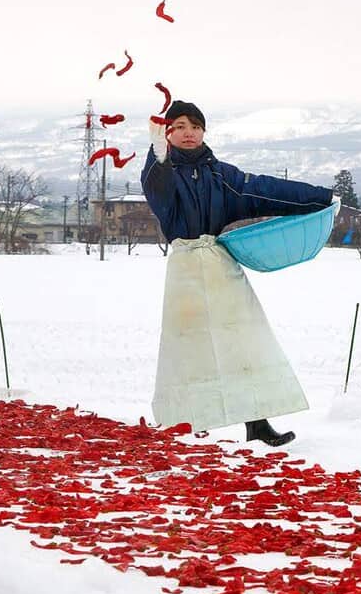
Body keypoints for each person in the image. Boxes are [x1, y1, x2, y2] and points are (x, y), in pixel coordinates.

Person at [141, 101, 332, 447]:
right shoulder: (163, 172)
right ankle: (178, 422)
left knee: (242, 342)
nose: (189, 133)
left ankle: (257, 421)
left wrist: (319, 198)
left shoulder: (221, 175)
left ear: (204, 132)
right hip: (185, 267)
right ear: (167, 132)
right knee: (189, 346)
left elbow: (263, 191)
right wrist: (157, 155)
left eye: (195, 126)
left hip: (219, 262)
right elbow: (158, 192)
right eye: (180, 126)